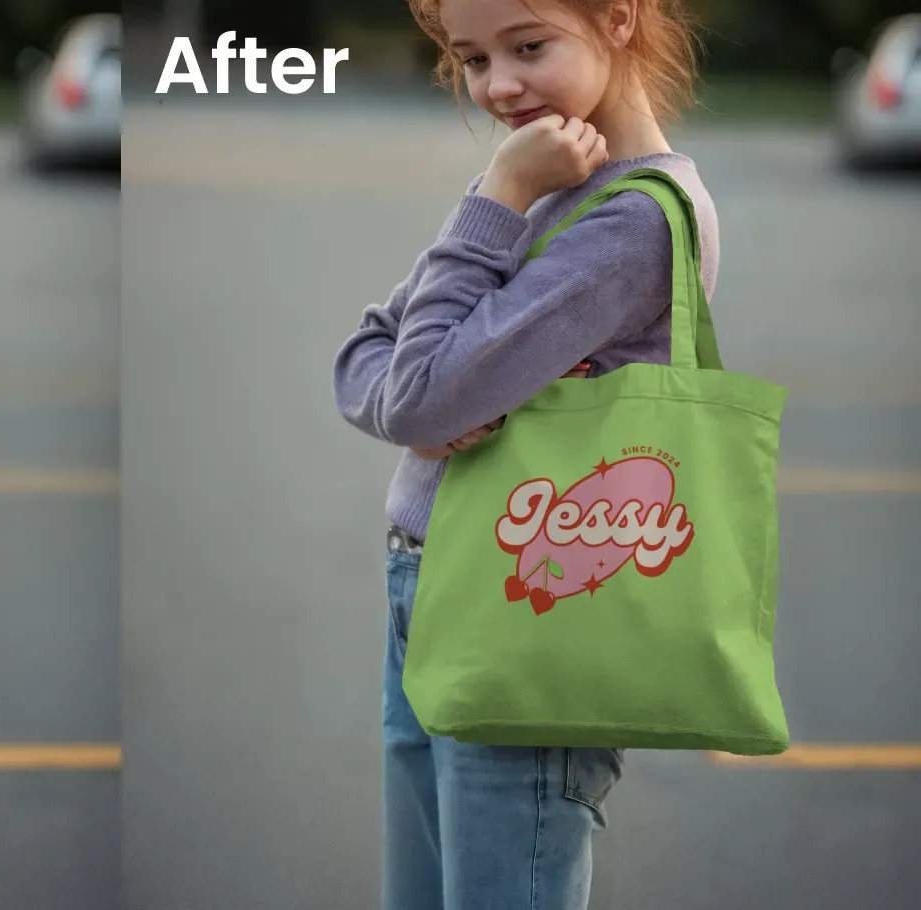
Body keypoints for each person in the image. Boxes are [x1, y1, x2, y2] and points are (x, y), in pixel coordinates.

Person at [331, 0, 713, 906]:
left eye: (528, 46)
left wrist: (494, 200)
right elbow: (366, 360)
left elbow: (416, 390)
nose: (497, 85)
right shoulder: (548, 180)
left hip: (530, 607)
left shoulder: (633, 224)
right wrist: (418, 399)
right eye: (471, 58)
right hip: (430, 587)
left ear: (619, 18)